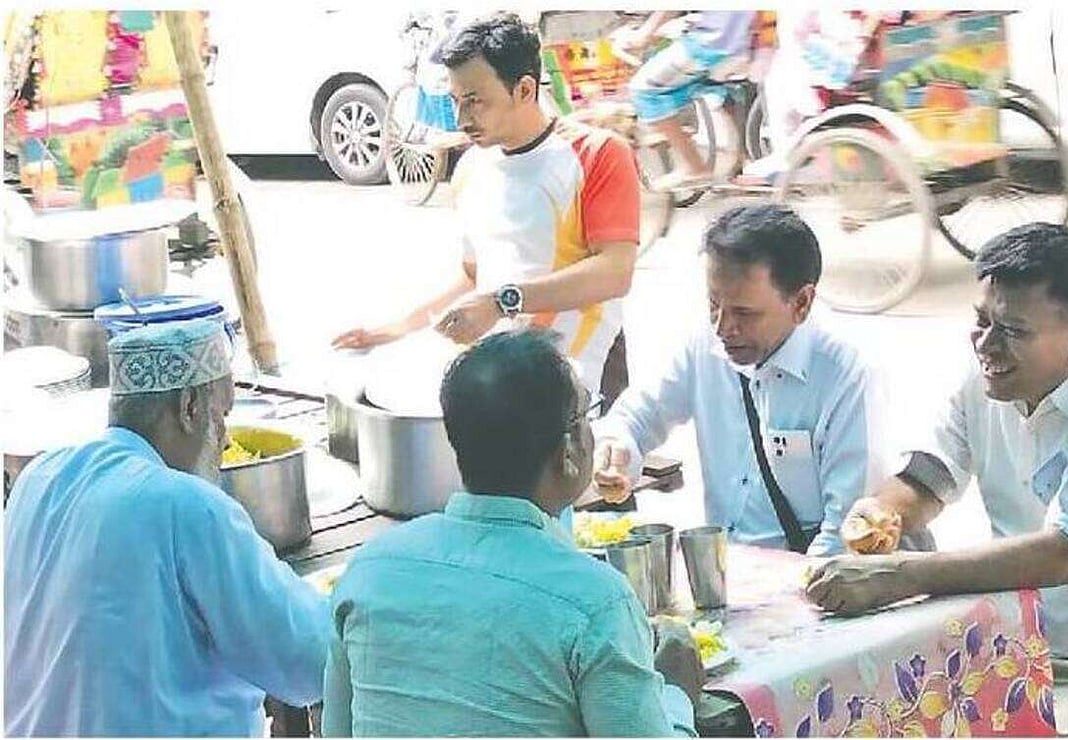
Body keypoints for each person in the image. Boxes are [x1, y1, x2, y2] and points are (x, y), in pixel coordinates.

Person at [806, 223, 1068, 737]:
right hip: (1007, 644)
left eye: (1012, 330)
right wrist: (880, 516)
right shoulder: (987, 381)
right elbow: (928, 476)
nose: (986, 345)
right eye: (980, 320)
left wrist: (902, 574)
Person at [322, 330, 702, 736]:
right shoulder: (595, 604)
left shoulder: (369, 571)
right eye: (587, 415)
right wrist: (676, 695)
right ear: (569, 450)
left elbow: (336, 731)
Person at [4, 320, 330, 736]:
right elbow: (308, 661)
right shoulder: (186, 505)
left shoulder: (39, 477)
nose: (226, 438)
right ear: (190, 408)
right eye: (222, 413)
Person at [332, 13, 640, 398]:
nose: (462, 119)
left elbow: (614, 272)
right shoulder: (472, 168)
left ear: (525, 90)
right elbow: (475, 275)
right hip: (503, 375)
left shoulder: (597, 154)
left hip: (582, 376)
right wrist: (398, 327)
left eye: (475, 102)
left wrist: (501, 302)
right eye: (456, 101)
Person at [593, 203, 886, 554]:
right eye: (713, 304)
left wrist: (798, 593)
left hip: (809, 576)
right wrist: (618, 448)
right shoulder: (704, 346)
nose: (723, 328)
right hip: (728, 569)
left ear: (802, 303)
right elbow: (637, 416)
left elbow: (847, 532)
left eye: (744, 313)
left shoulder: (846, 376)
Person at [620, 11, 758, 191]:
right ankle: (741, 158)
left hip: (712, 43)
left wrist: (644, 33)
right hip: (746, 40)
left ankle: (694, 167)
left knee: (644, 90)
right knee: (717, 88)